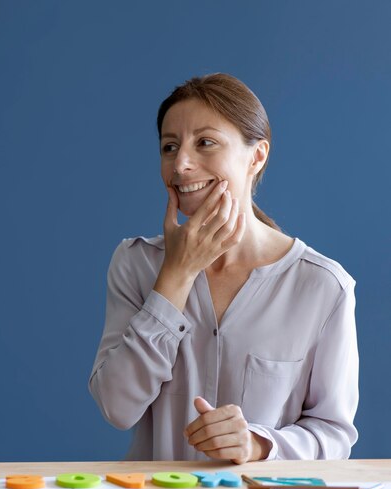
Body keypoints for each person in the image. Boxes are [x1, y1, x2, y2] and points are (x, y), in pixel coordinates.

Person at [89, 73, 358, 464]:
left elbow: (334, 434)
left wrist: (258, 443)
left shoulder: (322, 286)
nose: (180, 164)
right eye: (169, 147)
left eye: (205, 143)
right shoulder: (135, 263)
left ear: (257, 156)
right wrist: (176, 276)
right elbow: (117, 407)